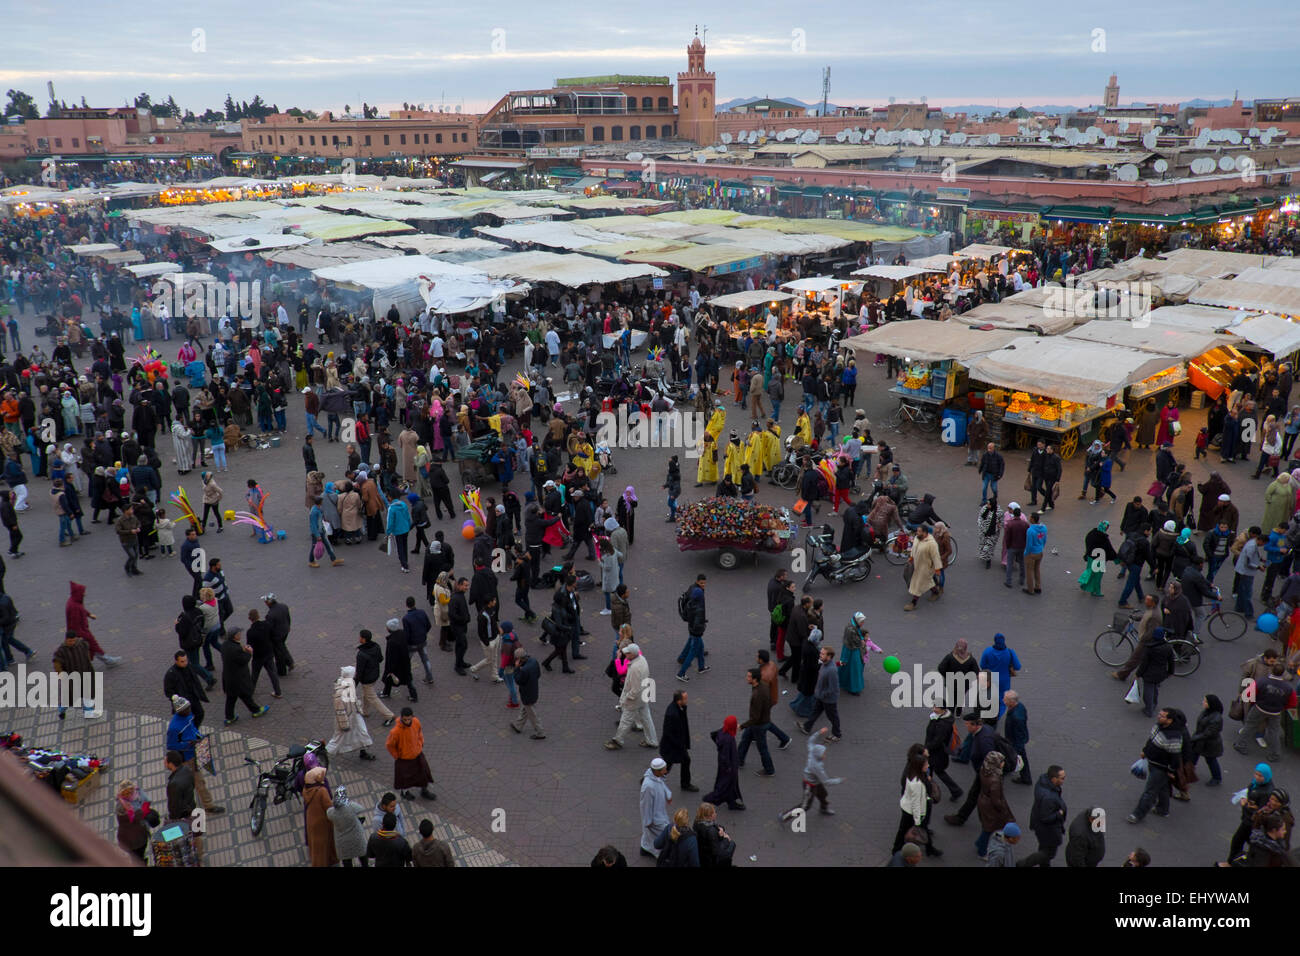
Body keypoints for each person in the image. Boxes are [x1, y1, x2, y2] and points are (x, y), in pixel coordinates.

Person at [1127, 708, 1186, 825]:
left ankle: (1138, 814)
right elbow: (1151, 740)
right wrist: (1145, 751)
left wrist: (1171, 771)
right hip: (1152, 762)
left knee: (1149, 792)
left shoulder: (1174, 736)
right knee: (1162, 787)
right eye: (1159, 714)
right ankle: (1163, 809)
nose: (1159, 717)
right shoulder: (1158, 726)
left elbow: (1175, 757)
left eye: (1162, 716)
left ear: (1170, 720)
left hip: (1161, 767)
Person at [779, 726, 841, 821]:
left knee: (823, 794)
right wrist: (839, 780)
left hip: (815, 781)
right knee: (805, 806)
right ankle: (784, 816)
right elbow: (826, 781)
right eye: (823, 754)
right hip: (810, 785)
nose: (825, 755)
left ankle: (823, 808)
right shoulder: (816, 766)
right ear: (819, 755)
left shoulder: (812, 751)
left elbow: (811, 740)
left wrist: (820, 732)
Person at [606, 643, 656, 748]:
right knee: (646, 718)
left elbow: (635, 689)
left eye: (627, 653)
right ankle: (652, 741)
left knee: (625, 720)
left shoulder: (635, 668)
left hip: (634, 700)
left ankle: (618, 741)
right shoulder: (642, 659)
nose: (626, 654)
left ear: (632, 654)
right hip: (644, 695)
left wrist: (626, 698)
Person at [1018, 764, 1067, 867]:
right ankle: (1023, 864)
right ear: (1053, 779)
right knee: (1049, 853)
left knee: (1044, 848)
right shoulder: (1048, 798)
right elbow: (1045, 817)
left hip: (1040, 826)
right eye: (1062, 778)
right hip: (1048, 829)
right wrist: (1058, 814)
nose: (1064, 780)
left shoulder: (1043, 782)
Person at [326, 665, 376, 762]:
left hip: (355, 715)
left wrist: (358, 710)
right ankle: (325, 754)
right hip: (346, 718)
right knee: (338, 738)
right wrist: (344, 724)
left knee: (362, 732)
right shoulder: (340, 692)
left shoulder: (350, 684)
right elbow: (340, 710)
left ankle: (363, 752)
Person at [220, 627, 268, 725]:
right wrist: (249, 652)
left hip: (228, 677)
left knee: (231, 698)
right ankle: (256, 710)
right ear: (235, 636)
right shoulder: (235, 649)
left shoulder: (225, 645)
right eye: (239, 634)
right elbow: (243, 660)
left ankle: (230, 717)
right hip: (238, 678)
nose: (240, 635)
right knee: (245, 695)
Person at [386, 707, 436, 801]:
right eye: (405, 720)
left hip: (417, 754)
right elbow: (389, 745)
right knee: (405, 778)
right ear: (401, 718)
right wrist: (397, 756)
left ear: (412, 717)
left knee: (424, 773)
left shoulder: (416, 722)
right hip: (404, 758)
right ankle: (405, 792)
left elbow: (419, 733)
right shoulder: (395, 731)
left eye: (409, 719)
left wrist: (420, 743)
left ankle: (424, 790)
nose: (407, 722)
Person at [800, 644, 842, 739]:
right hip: (821, 696)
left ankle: (837, 734)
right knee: (815, 711)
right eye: (821, 653)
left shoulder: (831, 670)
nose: (820, 655)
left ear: (829, 656)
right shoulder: (824, 664)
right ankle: (807, 727)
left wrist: (822, 694)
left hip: (828, 699)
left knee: (833, 717)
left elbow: (833, 688)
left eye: (823, 654)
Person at [355, 629, 395, 727]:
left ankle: (389, 715)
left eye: (360, 636)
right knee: (366, 694)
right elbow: (381, 659)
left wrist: (354, 684)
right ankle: (365, 711)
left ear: (363, 639)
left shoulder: (361, 654)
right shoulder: (376, 646)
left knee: (372, 698)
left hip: (366, 679)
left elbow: (359, 672)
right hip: (375, 675)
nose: (359, 638)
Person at [704, 715, 745, 810]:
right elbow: (725, 756)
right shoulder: (728, 739)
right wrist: (729, 768)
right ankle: (712, 798)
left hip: (725, 765)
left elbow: (714, 735)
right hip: (729, 766)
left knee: (729, 784)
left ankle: (731, 802)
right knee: (726, 784)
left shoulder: (723, 731)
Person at [659, 690, 697, 792]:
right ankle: (685, 784)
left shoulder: (679, 708)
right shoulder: (672, 714)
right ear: (679, 701)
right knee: (667, 765)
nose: (687, 700)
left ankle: (685, 783)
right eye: (685, 698)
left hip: (675, 745)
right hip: (673, 746)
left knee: (670, 764)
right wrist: (680, 745)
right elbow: (668, 732)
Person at [675, 573, 710, 681]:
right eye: (702, 583)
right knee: (694, 649)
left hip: (691, 624)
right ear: (698, 581)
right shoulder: (698, 596)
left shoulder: (692, 588)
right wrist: (701, 625)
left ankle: (701, 666)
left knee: (698, 644)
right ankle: (681, 673)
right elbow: (699, 614)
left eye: (704, 583)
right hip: (696, 627)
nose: (703, 585)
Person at [1135, 627, 1176, 718]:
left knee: (1148, 692)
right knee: (1155, 688)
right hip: (1161, 673)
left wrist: (1138, 674)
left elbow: (1144, 664)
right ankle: (1154, 704)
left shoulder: (1150, 648)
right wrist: (1170, 672)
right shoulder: (1168, 647)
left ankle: (1149, 709)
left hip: (1149, 674)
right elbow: (1171, 661)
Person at [327, 785, 371, 867]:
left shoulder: (331, 812)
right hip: (356, 838)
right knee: (363, 858)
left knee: (347, 862)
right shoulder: (351, 807)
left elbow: (328, 813)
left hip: (342, 842)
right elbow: (361, 808)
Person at [838, 611, 880, 695]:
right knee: (855, 668)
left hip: (850, 649)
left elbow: (858, 635)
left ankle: (844, 683)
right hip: (851, 650)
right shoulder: (851, 629)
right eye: (862, 622)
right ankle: (854, 688)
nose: (863, 623)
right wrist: (862, 642)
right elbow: (856, 641)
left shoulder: (853, 625)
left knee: (847, 667)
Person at [639, 757, 673, 858]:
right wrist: (648, 821)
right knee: (661, 834)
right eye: (664, 769)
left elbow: (662, 785)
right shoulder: (648, 787)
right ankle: (657, 852)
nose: (666, 771)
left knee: (650, 836)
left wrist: (668, 795)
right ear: (658, 771)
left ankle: (645, 848)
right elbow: (645, 805)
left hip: (658, 813)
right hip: (654, 818)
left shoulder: (656, 777)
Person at [904, 524, 942, 611]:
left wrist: (937, 569)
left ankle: (913, 603)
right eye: (917, 531)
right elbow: (914, 548)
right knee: (928, 581)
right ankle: (935, 592)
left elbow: (936, 557)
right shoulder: (918, 538)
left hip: (926, 567)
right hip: (917, 564)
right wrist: (911, 557)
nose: (917, 533)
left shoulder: (932, 544)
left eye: (919, 531)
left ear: (925, 533)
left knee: (919, 584)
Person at [510, 646, 545, 739]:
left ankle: (540, 732)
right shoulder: (534, 661)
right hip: (534, 690)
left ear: (520, 659)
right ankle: (518, 726)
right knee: (525, 709)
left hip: (527, 694)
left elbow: (518, 680)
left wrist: (517, 668)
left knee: (532, 714)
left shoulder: (524, 670)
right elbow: (538, 674)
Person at [693, 803, 735, 868]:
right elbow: (716, 851)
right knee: (732, 845)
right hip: (709, 858)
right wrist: (726, 839)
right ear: (709, 816)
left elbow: (717, 826)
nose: (716, 814)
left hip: (701, 852)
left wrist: (721, 830)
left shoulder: (697, 822)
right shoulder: (711, 831)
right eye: (714, 812)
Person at [1003, 691, 1032, 785]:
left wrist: (1018, 747)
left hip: (1015, 741)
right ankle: (1026, 778)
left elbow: (1019, 733)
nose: (1003, 700)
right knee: (1021, 757)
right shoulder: (1020, 707)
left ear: (1011, 701)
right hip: (1014, 739)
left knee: (1013, 757)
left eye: (1005, 699)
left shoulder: (1016, 717)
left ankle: (1005, 771)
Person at [1023, 512, 1046, 595]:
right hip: (1040, 552)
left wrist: (1026, 553)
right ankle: (1038, 587)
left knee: (1029, 571)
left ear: (1032, 519)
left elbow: (1029, 544)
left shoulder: (1030, 530)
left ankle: (1030, 589)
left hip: (1031, 553)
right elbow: (1044, 540)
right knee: (1037, 569)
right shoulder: (1044, 528)